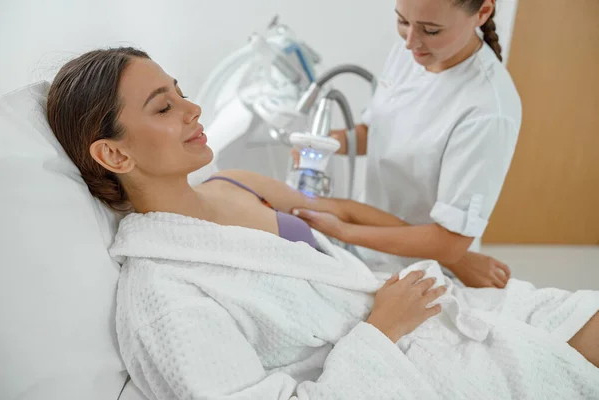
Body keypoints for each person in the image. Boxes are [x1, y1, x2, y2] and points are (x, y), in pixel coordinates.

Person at [46, 47, 599, 400]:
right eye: (163, 108)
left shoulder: (237, 183)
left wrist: (456, 255)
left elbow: (344, 216)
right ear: (115, 156)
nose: (192, 110)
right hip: (407, 363)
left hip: (436, 309)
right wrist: (383, 330)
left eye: (182, 94)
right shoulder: (165, 295)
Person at [291, 0, 520, 289]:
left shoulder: (487, 110)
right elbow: (380, 133)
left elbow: (449, 243)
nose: (411, 41)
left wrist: (345, 228)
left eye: (431, 30)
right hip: (362, 248)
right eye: (402, 22)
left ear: (483, 12)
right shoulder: (413, 52)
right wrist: (325, 143)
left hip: (421, 272)